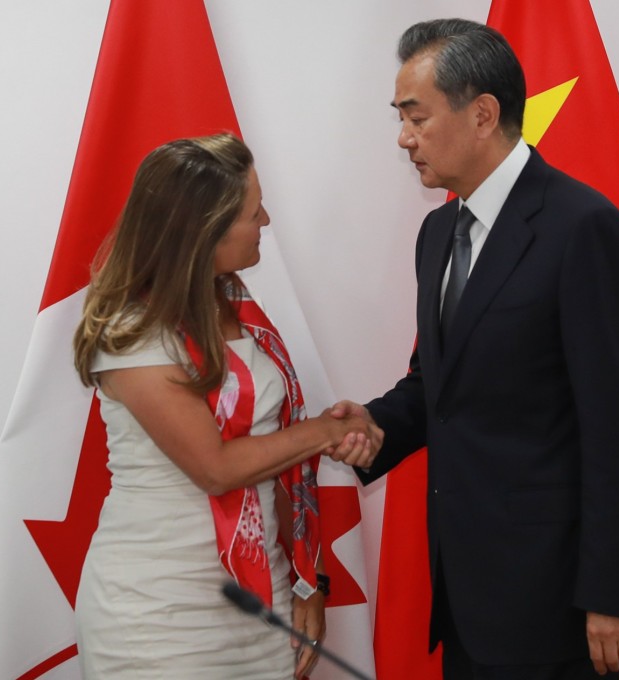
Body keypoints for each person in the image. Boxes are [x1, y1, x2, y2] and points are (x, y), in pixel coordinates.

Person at [330, 18, 619, 680]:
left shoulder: (583, 229)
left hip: (560, 607)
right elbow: (438, 386)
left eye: (416, 118)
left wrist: (611, 593)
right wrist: (374, 426)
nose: (403, 138)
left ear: (483, 114)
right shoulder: (437, 233)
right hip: (466, 600)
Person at [72, 133, 380, 679]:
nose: (265, 219)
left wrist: (307, 578)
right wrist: (323, 433)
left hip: (261, 602)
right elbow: (216, 468)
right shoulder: (132, 332)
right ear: (203, 230)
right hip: (159, 615)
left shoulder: (237, 305)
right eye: (251, 210)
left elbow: (267, 461)